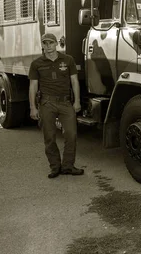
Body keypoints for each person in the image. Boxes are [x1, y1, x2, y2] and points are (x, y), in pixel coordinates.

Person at [29, 33, 84, 179]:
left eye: (51, 43)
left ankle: (68, 166)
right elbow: (33, 86)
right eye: (45, 43)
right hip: (47, 103)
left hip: (66, 102)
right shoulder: (36, 63)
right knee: (50, 137)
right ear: (42, 45)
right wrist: (33, 107)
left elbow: (74, 82)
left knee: (71, 134)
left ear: (56, 44)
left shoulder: (68, 60)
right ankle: (55, 167)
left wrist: (77, 101)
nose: (48, 46)